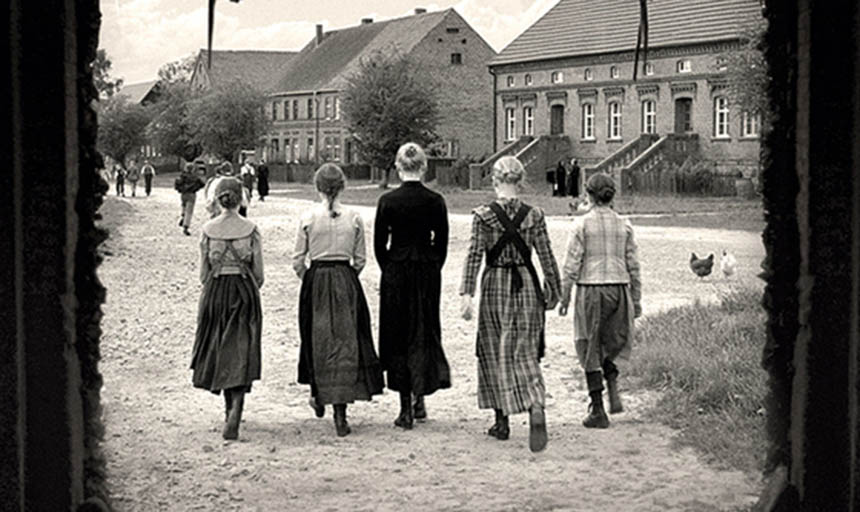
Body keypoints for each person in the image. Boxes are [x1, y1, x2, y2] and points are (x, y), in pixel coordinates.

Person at [459, 155, 561, 453]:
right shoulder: (535, 215)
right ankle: (535, 404)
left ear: (494, 181)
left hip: (494, 287)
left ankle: (501, 421)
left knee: (493, 348)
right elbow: (546, 256)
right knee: (526, 349)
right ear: (521, 181)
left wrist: (466, 293)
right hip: (527, 286)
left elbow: (474, 255)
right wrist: (554, 290)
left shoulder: (483, 216)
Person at [293, 163, 384, 437]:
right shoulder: (354, 217)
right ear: (343, 186)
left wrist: (310, 279)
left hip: (317, 277)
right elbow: (361, 259)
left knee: (316, 337)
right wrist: (345, 277)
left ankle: (318, 392)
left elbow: (298, 259)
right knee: (346, 341)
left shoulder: (308, 217)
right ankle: (340, 411)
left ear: (317, 186)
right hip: (345, 278)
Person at [374, 142, 451, 429]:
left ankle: (404, 406)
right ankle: (421, 397)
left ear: (398, 166)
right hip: (426, 270)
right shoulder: (435, 200)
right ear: (424, 166)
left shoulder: (388, 202)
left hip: (397, 268)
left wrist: (391, 268)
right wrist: (432, 266)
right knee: (424, 330)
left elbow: (380, 245)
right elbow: (441, 243)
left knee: (397, 334)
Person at [558, 172, 642, 429]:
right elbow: (634, 265)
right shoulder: (624, 225)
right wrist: (636, 299)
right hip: (619, 287)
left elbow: (572, 263)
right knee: (613, 339)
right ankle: (612, 378)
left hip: (591, 288)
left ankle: (597, 408)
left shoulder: (581, 225)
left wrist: (565, 295)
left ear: (588, 195)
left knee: (589, 343)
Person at [191, 177, 264, 440]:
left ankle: (228, 410)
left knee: (219, 345)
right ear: (240, 198)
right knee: (242, 346)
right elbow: (260, 275)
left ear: (217, 199)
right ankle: (237, 407)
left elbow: (203, 275)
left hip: (216, 291)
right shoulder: (251, 229)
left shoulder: (208, 230)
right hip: (244, 291)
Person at [174, 162, 206, 236]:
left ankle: (183, 215)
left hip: (183, 194)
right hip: (191, 194)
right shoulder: (195, 177)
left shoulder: (182, 176)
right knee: (189, 211)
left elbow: (177, 184)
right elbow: (202, 184)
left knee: (183, 205)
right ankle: (186, 226)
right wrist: (196, 188)